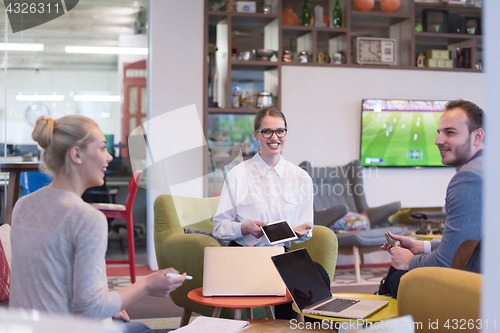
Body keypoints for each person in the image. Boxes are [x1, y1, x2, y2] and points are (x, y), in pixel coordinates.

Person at [10, 115, 188, 333]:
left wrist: (110, 306)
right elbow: (91, 309)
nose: (110, 156)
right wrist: (147, 284)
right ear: (76, 154)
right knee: (141, 329)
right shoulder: (86, 218)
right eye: (102, 148)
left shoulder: (22, 206)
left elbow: (49, 283)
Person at [212, 107, 326, 320]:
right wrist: (243, 228)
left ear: (285, 133)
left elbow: (306, 227)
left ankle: (295, 328)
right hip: (245, 256)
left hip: (281, 255)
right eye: (267, 132)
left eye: (280, 131)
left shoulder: (301, 178)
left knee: (318, 276)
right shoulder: (238, 175)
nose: (274, 137)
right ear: (256, 134)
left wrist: (301, 233)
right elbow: (219, 227)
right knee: (287, 280)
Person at [379, 99, 484, 298]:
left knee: (397, 278)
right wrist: (423, 246)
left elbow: (449, 264)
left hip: (477, 291)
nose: (438, 140)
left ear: (477, 136)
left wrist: (408, 261)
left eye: (450, 132)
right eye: (439, 132)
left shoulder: (469, 178)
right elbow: (471, 242)